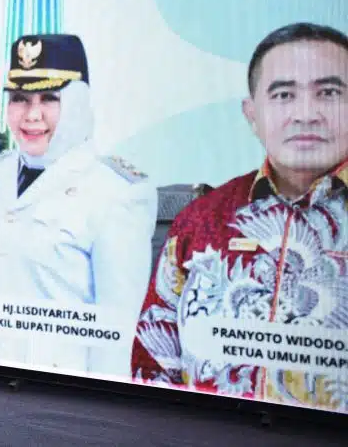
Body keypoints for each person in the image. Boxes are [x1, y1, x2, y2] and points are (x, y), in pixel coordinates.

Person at [132, 22, 348, 412]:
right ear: (252, 114)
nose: (306, 114)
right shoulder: (201, 220)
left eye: (328, 93)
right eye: (283, 95)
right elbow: (152, 363)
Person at [0, 33, 158, 376]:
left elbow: (116, 338)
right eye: (20, 99)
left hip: (55, 392)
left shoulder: (116, 192)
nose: (31, 115)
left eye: (49, 99)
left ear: (78, 103)